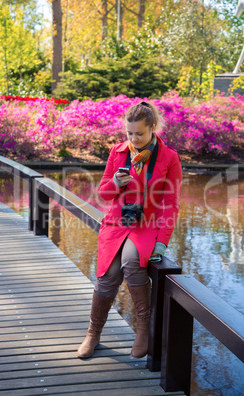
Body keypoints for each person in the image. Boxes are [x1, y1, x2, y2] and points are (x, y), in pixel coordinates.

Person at [77, 101, 182, 359]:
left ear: (153, 128)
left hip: (147, 225)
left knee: (131, 262)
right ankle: (93, 333)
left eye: (140, 133)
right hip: (116, 222)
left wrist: (162, 242)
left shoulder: (169, 157)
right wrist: (115, 182)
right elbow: (103, 194)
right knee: (107, 273)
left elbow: (171, 204)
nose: (134, 139)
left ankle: (143, 331)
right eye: (129, 133)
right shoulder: (118, 152)